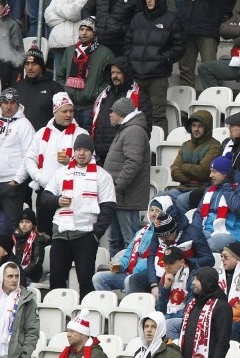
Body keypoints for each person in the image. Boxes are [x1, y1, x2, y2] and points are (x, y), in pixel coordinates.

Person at [41, 133, 116, 296]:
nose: (82, 153)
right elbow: (45, 198)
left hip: (85, 235)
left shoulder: (102, 175)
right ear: (73, 151)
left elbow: (108, 207)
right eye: (79, 149)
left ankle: (85, 318)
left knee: (85, 281)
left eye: (86, 150)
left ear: (92, 152)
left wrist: (95, 235)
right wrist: (57, 201)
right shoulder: (61, 173)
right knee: (56, 280)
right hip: (61, 234)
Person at [22, 92, 88, 235]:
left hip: (71, 194)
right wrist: (39, 177)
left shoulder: (81, 134)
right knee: (45, 234)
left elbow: (91, 161)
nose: (69, 114)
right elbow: (29, 158)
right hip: (45, 193)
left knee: (67, 235)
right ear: (55, 112)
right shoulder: (41, 133)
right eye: (65, 111)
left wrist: (70, 161)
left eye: (71, 111)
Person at [125, 0, 185, 133]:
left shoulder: (171, 19)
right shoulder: (137, 18)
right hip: (136, 76)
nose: (149, 1)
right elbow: (127, 42)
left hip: (158, 77)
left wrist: (164, 58)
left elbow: (180, 46)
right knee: (133, 115)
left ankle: (158, 151)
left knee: (157, 116)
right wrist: (130, 58)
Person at [102, 97, 150, 257]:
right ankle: (115, 272)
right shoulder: (127, 130)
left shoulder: (133, 131)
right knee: (114, 239)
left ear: (121, 113)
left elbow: (133, 163)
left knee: (130, 241)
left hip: (126, 198)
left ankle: (129, 273)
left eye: (112, 111)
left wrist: (116, 187)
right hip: (119, 197)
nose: (109, 115)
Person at [93, 196, 168, 293]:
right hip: (131, 271)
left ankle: (129, 307)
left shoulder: (166, 233)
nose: (153, 214)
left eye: (157, 211)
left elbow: (157, 260)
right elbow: (129, 253)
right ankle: (108, 306)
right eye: (151, 210)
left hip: (149, 275)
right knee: (98, 278)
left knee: (130, 280)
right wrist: (121, 265)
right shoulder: (142, 231)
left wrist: (137, 269)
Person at [142, 204, 215, 300]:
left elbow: (209, 260)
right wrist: (153, 284)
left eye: (166, 237)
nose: (163, 240)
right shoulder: (160, 231)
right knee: (133, 280)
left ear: (174, 230)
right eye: (161, 238)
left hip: (185, 274)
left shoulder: (193, 233)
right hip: (159, 272)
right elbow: (151, 256)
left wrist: (186, 262)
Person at [55, 17, 115, 130]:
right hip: (69, 107)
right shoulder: (70, 51)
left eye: (88, 29)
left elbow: (109, 80)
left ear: (94, 32)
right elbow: (60, 76)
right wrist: (66, 91)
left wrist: (95, 94)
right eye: (81, 29)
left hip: (90, 107)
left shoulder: (105, 53)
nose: (84, 32)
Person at [91, 57, 152, 162]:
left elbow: (145, 127)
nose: (115, 76)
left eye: (119, 72)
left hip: (121, 156)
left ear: (126, 74)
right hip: (98, 154)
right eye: (112, 72)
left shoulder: (140, 96)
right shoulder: (104, 95)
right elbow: (91, 120)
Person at [191, 155, 240, 252]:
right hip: (208, 231)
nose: (210, 175)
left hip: (232, 234)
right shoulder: (210, 190)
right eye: (211, 171)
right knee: (187, 242)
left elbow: (237, 207)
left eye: (214, 171)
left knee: (204, 247)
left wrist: (227, 186)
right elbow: (198, 213)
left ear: (225, 174)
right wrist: (195, 232)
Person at [44, 0, 94, 70]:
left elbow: (75, 13)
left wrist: (57, 9)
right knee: (58, 82)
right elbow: (48, 16)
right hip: (58, 43)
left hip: (75, 43)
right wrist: (66, 13)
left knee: (72, 81)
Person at [178, 267, 233, 358]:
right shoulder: (192, 304)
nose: (193, 282)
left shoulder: (222, 307)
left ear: (207, 282)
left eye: (197, 280)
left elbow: (222, 342)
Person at [0, 89, 34, 234]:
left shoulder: (24, 124)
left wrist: (17, 180)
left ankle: (13, 257)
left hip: (11, 184)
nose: (8, 107)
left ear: (18, 104)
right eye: (5, 103)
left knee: (13, 228)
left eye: (12, 103)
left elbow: (30, 155)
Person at [169, 110, 221, 191]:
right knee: (157, 199)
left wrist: (183, 166)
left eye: (200, 126)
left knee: (180, 200)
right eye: (194, 125)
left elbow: (202, 172)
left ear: (207, 127)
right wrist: (192, 180)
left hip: (202, 190)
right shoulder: (185, 145)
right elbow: (174, 172)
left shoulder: (215, 146)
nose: (196, 129)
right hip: (182, 188)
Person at [0, 262, 38, 358]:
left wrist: (24, 355)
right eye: (10, 276)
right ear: (1, 277)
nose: (14, 280)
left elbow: (32, 332)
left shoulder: (27, 300)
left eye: (17, 276)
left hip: (14, 355)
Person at [157, 246, 194, 340]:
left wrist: (169, 317)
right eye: (165, 263)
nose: (167, 267)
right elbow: (159, 309)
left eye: (171, 263)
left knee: (169, 325)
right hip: (168, 316)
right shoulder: (164, 278)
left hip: (187, 319)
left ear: (182, 262)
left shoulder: (192, 276)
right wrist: (165, 288)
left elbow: (191, 306)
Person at [11, 208, 47, 283]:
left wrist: (21, 274)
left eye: (27, 222)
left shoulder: (38, 239)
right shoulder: (13, 238)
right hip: (13, 274)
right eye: (21, 222)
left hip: (30, 275)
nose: (24, 224)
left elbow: (36, 263)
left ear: (33, 224)